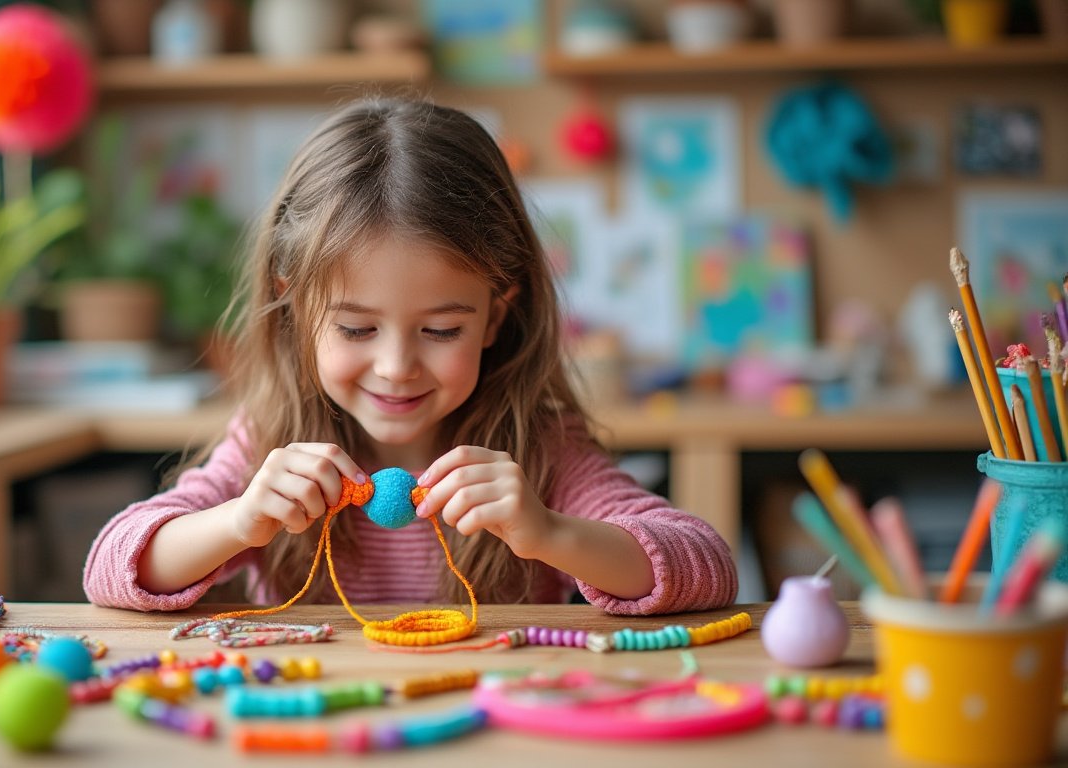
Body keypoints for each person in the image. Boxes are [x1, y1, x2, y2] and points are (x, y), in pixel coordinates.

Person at [84, 97, 737, 615]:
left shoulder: (538, 446)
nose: (397, 367)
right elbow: (110, 567)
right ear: (296, 305)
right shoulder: (267, 441)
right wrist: (239, 520)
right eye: (357, 330)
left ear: (496, 315)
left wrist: (549, 534)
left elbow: (706, 565)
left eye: (441, 331)